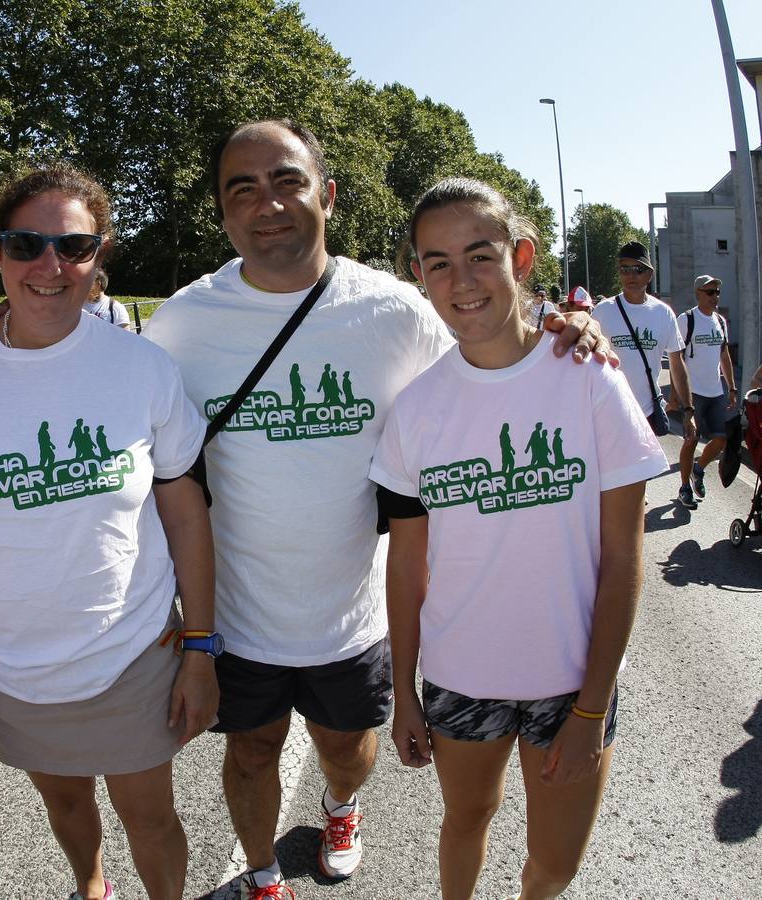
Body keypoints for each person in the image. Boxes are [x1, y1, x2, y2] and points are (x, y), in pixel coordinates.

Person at [136, 119, 611, 898]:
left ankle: (339, 806)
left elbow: (491, 351)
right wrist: (6, 328)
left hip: (352, 615)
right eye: (242, 189)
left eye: (287, 180)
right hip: (236, 613)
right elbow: (135, 452)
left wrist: (562, 327)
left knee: (346, 748)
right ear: (222, 214)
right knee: (250, 752)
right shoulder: (182, 324)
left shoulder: (395, 311)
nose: (268, 203)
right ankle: (260, 871)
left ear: (326, 194)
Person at [0, 165, 217, 900]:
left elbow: (185, 513)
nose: (50, 266)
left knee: (150, 819)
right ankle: (92, 887)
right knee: (64, 803)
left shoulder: (141, 368)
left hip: (131, 655)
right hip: (14, 667)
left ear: (100, 255)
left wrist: (203, 649)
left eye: (74, 247)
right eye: (27, 245)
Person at [374, 177, 666, 900]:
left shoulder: (591, 378)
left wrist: (592, 707)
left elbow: (626, 558)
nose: (461, 281)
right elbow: (407, 566)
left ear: (523, 258)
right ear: (418, 275)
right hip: (459, 678)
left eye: (480, 255)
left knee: (556, 863)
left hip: (570, 685)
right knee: (465, 819)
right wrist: (405, 692)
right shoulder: (415, 410)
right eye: (437, 262)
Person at [591, 241, 698, 506]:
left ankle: (632, 514)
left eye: (637, 269)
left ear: (649, 274)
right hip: (609, 409)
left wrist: (688, 411)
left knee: (636, 479)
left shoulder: (663, 314)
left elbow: (677, 363)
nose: (630, 276)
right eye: (624, 269)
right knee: (611, 480)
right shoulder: (603, 311)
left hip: (646, 410)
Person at [676, 275, 738, 508]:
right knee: (691, 439)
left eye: (717, 292)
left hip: (715, 392)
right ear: (698, 293)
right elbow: (676, 358)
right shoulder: (687, 320)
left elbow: (724, 355)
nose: (715, 296)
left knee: (720, 441)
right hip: (693, 393)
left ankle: (698, 469)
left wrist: (731, 386)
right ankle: (684, 488)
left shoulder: (720, 321)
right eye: (710, 292)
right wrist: (677, 394)